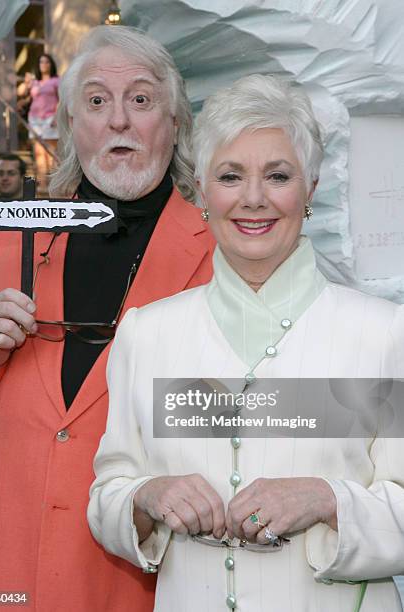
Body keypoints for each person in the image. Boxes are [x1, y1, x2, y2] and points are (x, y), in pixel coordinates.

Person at [88, 75, 404, 611]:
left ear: (312, 188)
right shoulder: (147, 335)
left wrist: (329, 500)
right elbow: (107, 495)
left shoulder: (383, 334)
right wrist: (146, 497)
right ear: (202, 194)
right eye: (230, 176)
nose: (253, 199)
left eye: (277, 175)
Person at [0, 26, 214, 612]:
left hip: (137, 574)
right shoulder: (4, 237)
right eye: (97, 101)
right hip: (4, 566)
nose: (119, 121)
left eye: (142, 100)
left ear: (174, 123)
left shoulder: (219, 253)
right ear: (71, 123)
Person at [19, 54, 60, 193]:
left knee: (51, 153)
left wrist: (57, 116)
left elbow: (62, 99)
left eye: (46, 62)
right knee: (39, 154)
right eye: (41, 62)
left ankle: (54, 185)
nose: (43, 64)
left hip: (50, 118)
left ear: (51, 64)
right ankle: (42, 186)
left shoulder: (56, 81)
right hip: (35, 119)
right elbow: (20, 93)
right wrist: (26, 83)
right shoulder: (35, 82)